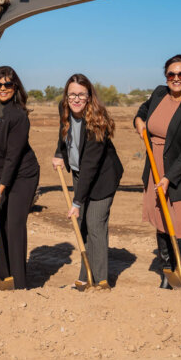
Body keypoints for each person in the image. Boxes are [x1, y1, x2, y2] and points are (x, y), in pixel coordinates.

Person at [134, 54, 181, 289]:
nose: (176, 78)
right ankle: (167, 273)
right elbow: (144, 109)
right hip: (155, 165)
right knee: (162, 221)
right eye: (171, 74)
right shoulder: (158, 93)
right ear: (166, 76)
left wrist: (169, 177)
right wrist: (139, 119)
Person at [52, 74, 123, 286]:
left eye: (81, 95)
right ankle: (85, 276)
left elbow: (90, 166)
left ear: (89, 96)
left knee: (95, 224)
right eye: (72, 94)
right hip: (79, 173)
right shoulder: (63, 109)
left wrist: (76, 202)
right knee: (82, 225)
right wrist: (59, 152)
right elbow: (63, 132)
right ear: (66, 96)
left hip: (102, 177)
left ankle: (100, 279)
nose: (76, 99)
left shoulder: (97, 121)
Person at [0, 66, 40, 289]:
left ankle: (19, 283)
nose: (3, 89)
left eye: (8, 85)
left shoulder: (18, 115)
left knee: (14, 225)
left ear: (15, 87)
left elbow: (14, 156)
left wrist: (0, 189)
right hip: (0, 172)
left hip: (22, 175)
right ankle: (3, 276)